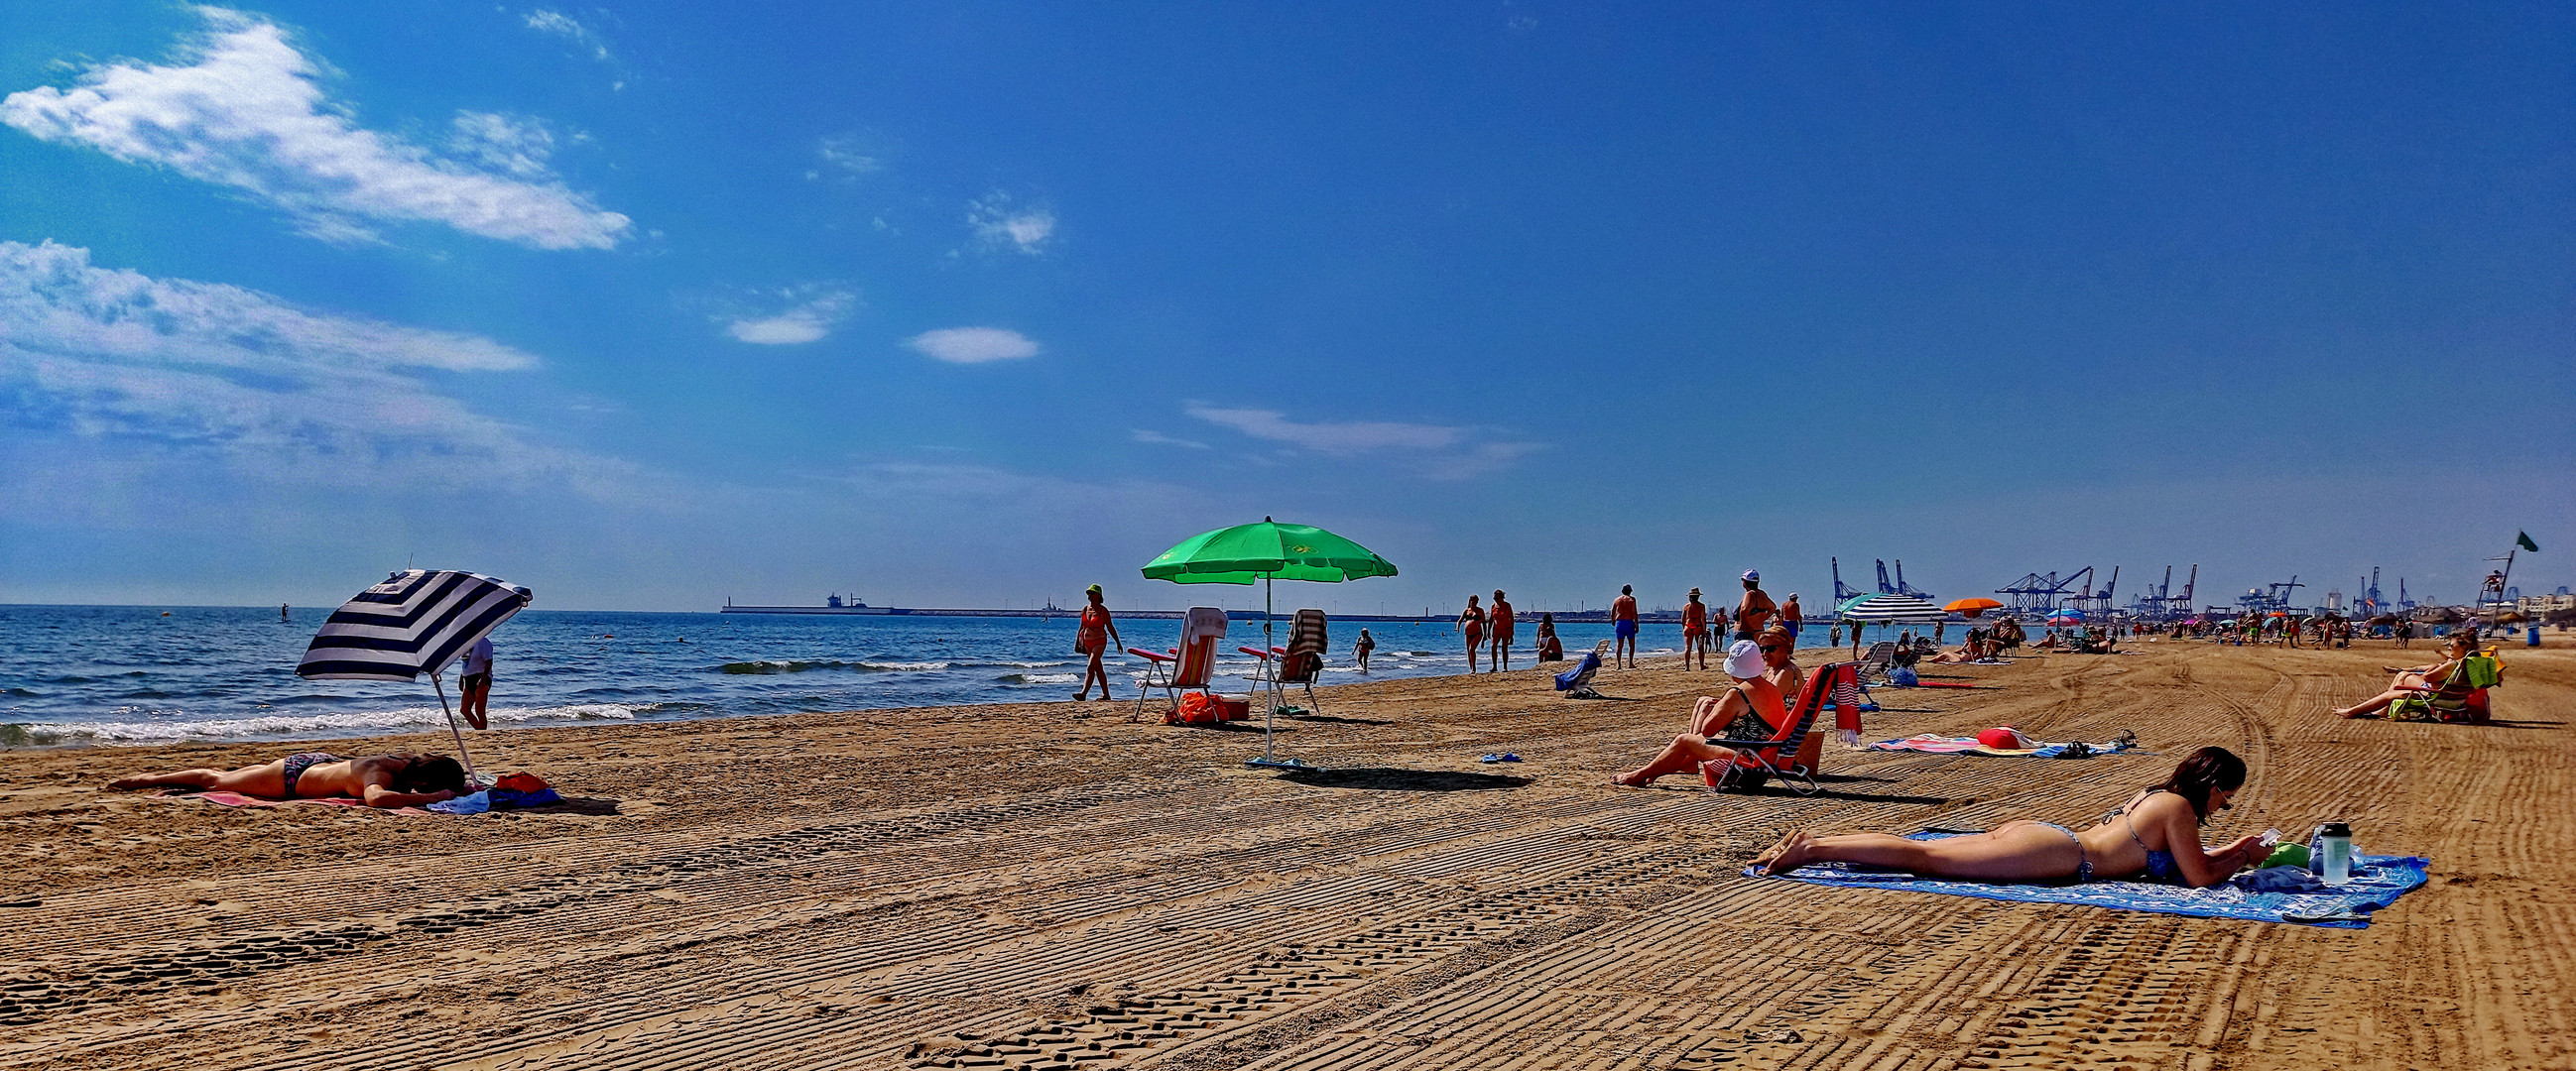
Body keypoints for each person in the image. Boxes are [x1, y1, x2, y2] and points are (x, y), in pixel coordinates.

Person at [1750, 747, 2263, 889]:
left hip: (2048, 839)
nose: (2223, 808)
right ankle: (1812, 848)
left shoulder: (2158, 797)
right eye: (2226, 798)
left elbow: (2189, 860)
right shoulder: (2179, 810)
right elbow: (2198, 877)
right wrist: (2240, 860)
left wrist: (2236, 849)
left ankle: (1816, 841)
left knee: (1927, 853)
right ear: (2214, 786)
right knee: (1926, 859)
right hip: (2059, 855)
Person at [1611, 641, 1786, 786]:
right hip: (1766, 757)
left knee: (1684, 740)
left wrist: (1713, 710)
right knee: (1692, 733)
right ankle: (1653, 772)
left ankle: (1640, 774)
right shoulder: (1771, 689)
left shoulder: (1738, 693)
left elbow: (1708, 730)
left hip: (1747, 761)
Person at [106, 753, 467, 809]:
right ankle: (144, 778)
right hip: (293, 778)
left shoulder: (406, 763)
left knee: (223, 780)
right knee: (215, 782)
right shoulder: (380, 774)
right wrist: (432, 797)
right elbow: (375, 800)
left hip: (319, 763)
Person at [2333, 634, 2478, 718]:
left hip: (2440, 698)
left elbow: (2429, 679)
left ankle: (2351, 712)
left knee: (2396, 686)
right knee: (2403, 677)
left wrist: (2420, 675)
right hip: (2457, 700)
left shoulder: (2454, 664)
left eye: (2451, 646)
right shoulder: (2473, 663)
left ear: (2464, 647)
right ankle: (2384, 710)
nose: (2449, 648)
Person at [1073, 584, 1124, 701]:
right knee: (1098, 669)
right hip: (1087, 642)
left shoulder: (1103, 611)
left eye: (1092, 593)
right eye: (1088, 593)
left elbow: (1110, 627)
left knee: (1091, 667)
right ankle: (1106, 695)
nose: (1089, 595)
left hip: (1099, 641)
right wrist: (1077, 642)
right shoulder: (1085, 609)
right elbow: (1081, 627)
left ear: (1098, 595)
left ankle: (1083, 693)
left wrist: (1118, 642)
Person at [459, 635, 495, 730]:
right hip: (468, 678)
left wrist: (483, 678)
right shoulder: (466, 644)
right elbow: (466, 663)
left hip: (481, 676)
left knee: (479, 711)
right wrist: (461, 678)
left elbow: (489, 662)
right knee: (464, 709)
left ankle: (482, 732)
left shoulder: (483, 642)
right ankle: (479, 729)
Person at [1735, 571, 1776, 641]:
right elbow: (1773, 607)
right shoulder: (1762, 594)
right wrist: (1762, 617)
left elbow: (1744, 609)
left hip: (1747, 632)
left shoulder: (1749, 594)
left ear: (1745, 583)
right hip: (1759, 631)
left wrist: (1743, 625)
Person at [1680, 588, 1710, 669]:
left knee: (1688, 647)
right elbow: (1703, 619)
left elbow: (1683, 619)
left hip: (1688, 626)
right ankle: (1701, 665)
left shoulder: (1686, 606)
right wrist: (1704, 630)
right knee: (1700, 647)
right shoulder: (1701, 606)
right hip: (1697, 626)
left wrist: (1684, 628)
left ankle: (1687, 666)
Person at [1612, 585, 1640, 669]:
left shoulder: (1617, 600)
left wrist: (1613, 621)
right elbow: (1634, 613)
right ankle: (1630, 663)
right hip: (1628, 622)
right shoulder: (1631, 600)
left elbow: (1613, 612)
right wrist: (1637, 624)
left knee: (1619, 645)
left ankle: (1619, 664)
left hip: (1619, 623)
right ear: (1630, 591)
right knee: (1631, 644)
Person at [1489, 590, 1516, 672]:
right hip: (1496, 630)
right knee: (1493, 647)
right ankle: (1494, 666)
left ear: (1501, 597)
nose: (1496, 600)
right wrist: (1487, 630)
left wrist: (1511, 633)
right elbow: (1491, 619)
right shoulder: (1493, 606)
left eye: (1497, 598)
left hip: (1505, 630)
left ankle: (1505, 667)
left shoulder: (1507, 605)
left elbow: (1511, 619)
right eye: (1494, 598)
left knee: (1504, 648)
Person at [1459, 595, 1486, 673]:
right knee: (1469, 651)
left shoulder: (1480, 610)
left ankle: (1474, 668)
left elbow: (1484, 623)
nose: (1475, 603)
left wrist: (1485, 634)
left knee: (1471, 649)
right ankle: (1471, 668)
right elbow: (1460, 620)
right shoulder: (1466, 611)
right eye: (1473, 601)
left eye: (1476, 601)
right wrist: (1457, 627)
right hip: (1468, 634)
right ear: (1470, 601)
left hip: (1477, 633)